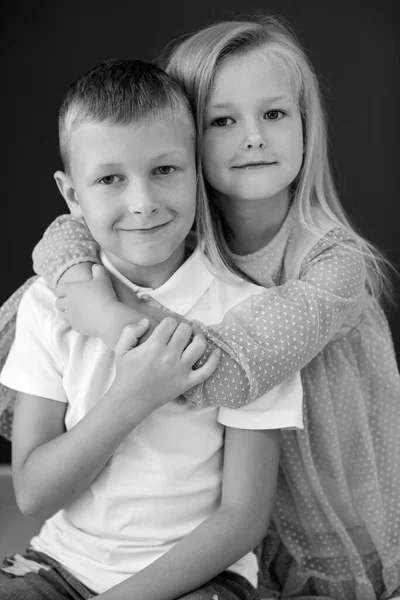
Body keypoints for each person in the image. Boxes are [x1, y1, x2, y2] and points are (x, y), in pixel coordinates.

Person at [0, 13, 399, 600]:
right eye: (222, 121)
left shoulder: (330, 266)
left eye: (275, 114)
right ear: (191, 138)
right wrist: (75, 280)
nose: (254, 137)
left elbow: (237, 367)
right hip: (184, 484)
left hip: (317, 476)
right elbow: (68, 227)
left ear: (308, 124)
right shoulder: (162, 225)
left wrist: (111, 321)